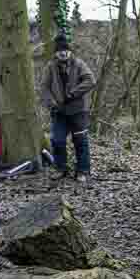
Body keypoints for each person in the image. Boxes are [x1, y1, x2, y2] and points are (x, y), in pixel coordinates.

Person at [40, 33, 96, 182]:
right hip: (59, 111)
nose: (63, 53)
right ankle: (61, 169)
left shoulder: (79, 64)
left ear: (69, 50)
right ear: (56, 52)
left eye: (65, 50)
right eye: (59, 51)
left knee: (80, 141)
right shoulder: (50, 67)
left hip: (78, 111)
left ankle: (83, 171)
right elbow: (44, 87)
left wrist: (73, 94)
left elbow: (90, 80)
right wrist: (52, 103)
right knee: (57, 140)